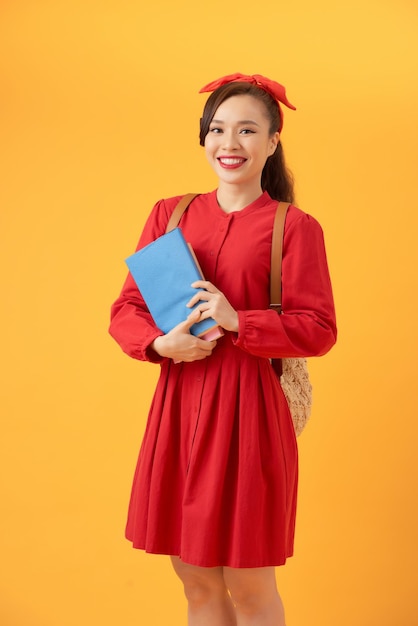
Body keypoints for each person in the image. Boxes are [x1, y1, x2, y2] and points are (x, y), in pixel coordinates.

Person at [109, 72, 337, 626]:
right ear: (204, 137)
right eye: (217, 129)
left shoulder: (295, 227)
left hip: (251, 412)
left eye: (247, 130)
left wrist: (241, 320)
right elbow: (127, 310)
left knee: (251, 583)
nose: (229, 144)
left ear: (273, 141)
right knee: (194, 581)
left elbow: (319, 327)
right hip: (180, 406)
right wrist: (161, 344)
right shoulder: (171, 214)